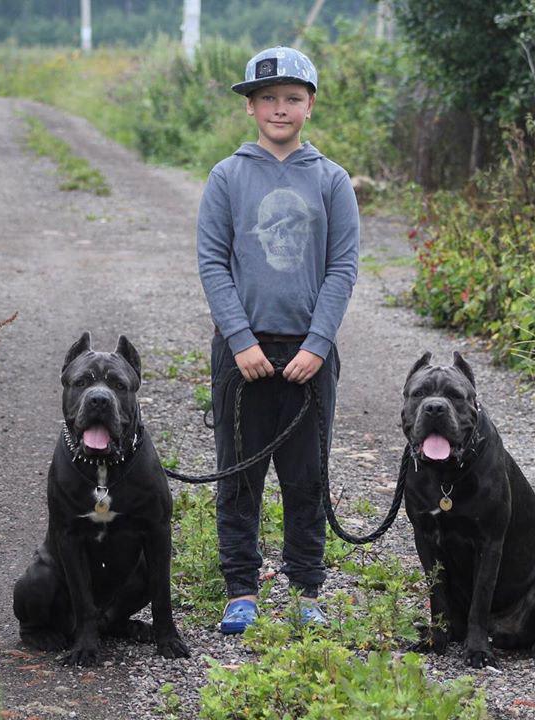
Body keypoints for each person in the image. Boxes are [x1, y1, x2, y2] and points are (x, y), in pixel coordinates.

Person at [196, 46, 359, 634]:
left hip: (309, 355)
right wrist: (239, 340)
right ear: (251, 107)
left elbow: (342, 268)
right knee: (239, 474)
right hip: (242, 353)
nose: (280, 108)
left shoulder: (332, 181)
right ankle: (241, 588)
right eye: (268, 98)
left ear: (310, 106)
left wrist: (318, 344)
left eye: (293, 98)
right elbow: (213, 263)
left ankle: (306, 587)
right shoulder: (227, 177)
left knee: (306, 474)